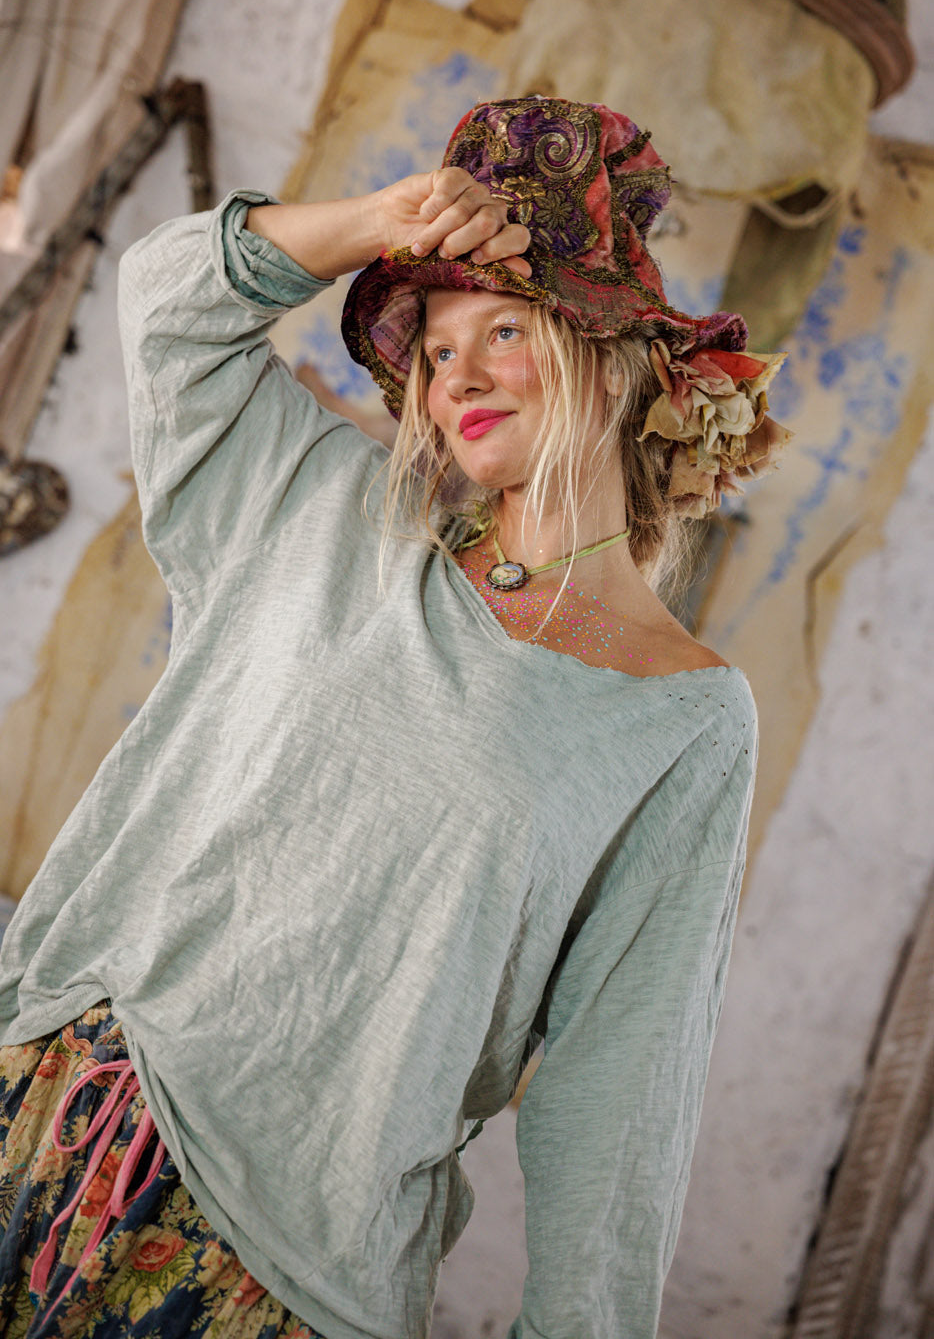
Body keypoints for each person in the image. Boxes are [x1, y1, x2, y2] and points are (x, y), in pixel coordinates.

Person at [0, 96, 789, 1339]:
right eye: (432, 346)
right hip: (50, 1104)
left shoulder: (684, 718)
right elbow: (166, 299)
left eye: (504, 327)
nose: (454, 372)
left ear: (611, 354)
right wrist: (382, 218)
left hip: (278, 1270)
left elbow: (620, 1087)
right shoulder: (316, 508)